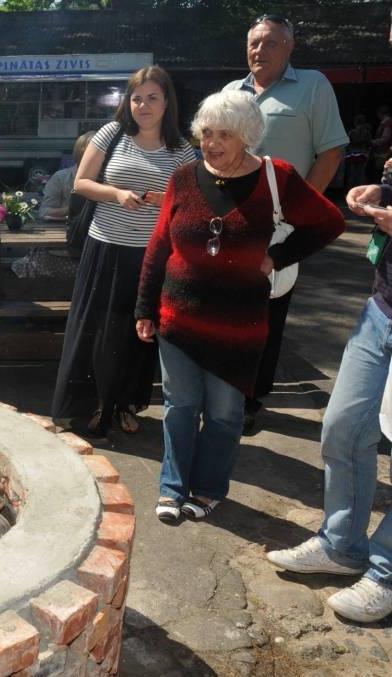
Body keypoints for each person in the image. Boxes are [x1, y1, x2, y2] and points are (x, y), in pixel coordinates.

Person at [134, 90, 344, 523]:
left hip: (239, 325)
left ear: (247, 135)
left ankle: (208, 490)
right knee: (179, 407)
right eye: (206, 133)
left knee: (225, 414)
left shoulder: (276, 177)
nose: (211, 143)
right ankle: (172, 488)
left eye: (224, 135)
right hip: (179, 318)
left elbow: (329, 222)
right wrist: (144, 308)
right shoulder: (184, 178)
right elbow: (159, 246)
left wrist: (277, 256)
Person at [265, 181, 392, 623]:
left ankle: (386, 573)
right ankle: (342, 546)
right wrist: (382, 192)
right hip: (383, 309)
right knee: (343, 427)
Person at [50, 65, 196, 436]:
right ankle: (96, 405)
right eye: (136, 98)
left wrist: (169, 200)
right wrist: (116, 194)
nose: (143, 106)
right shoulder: (112, 133)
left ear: (167, 102)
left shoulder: (181, 149)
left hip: (150, 257)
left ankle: (126, 404)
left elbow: (194, 202)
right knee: (99, 332)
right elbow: (81, 183)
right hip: (105, 248)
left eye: (152, 98)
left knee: (138, 334)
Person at [223, 14, 349, 434]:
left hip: (280, 224)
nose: (260, 50)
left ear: (290, 47)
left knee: (268, 314)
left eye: (271, 42)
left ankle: (250, 399)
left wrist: (301, 210)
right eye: (254, 43)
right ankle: (223, 392)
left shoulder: (313, 86)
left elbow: (331, 151)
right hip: (230, 221)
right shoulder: (230, 92)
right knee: (226, 310)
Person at [38, 131, 96, 220]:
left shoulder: (108, 179)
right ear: (81, 154)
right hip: (65, 226)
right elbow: (44, 212)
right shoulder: (61, 178)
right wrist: (71, 209)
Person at [345, 113, 373, 189]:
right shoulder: (367, 132)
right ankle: (360, 190)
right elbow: (369, 144)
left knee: (351, 174)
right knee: (361, 174)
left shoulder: (351, 132)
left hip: (351, 154)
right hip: (363, 154)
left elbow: (347, 144)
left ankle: (350, 190)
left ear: (355, 122)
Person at [373, 106, 392, 182]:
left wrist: (372, 142)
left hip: (384, 152)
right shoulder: (385, 122)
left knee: (381, 173)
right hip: (383, 151)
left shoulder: (387, 122)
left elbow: (385, 138)